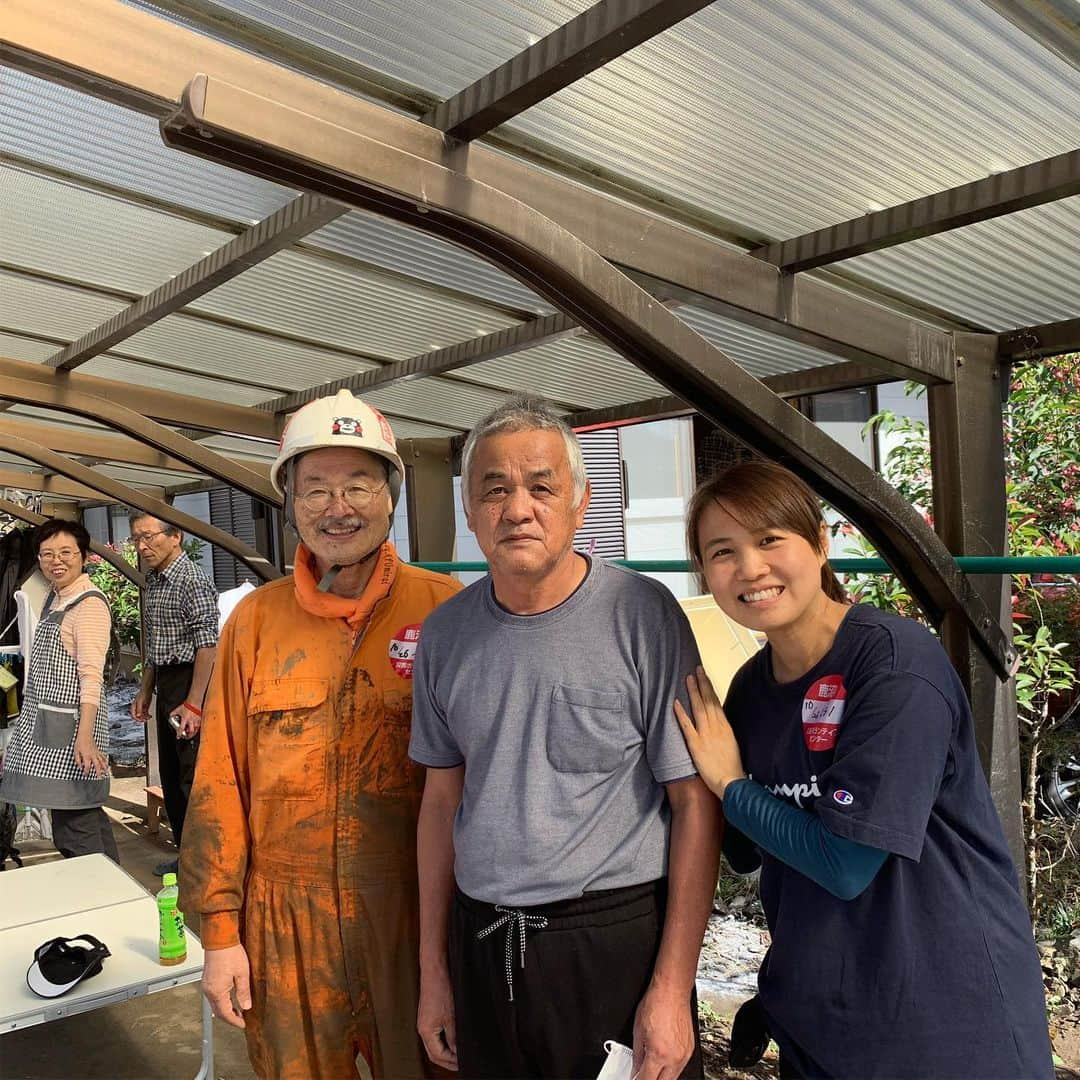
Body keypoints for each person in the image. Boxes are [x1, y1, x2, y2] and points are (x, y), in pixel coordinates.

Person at [675, 459, 1054, 1079]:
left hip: (943, 1023)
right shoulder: (750, 689)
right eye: (723, 551)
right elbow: (744, 851)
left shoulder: (895, 665)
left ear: (820, 542)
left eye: (770, 539)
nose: (750, 568)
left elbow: (846, 863)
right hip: (823, 1021)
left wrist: (730, 785)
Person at [410, 394, 721, 1080]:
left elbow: (695, 803)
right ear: (469, 511)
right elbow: (439, 804)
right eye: (494, 489)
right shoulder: (445, 634)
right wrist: (435, 971)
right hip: (482, 941)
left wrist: (672, 990)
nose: (517, 509)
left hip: (612, 945)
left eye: (541, 487)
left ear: (579, 504)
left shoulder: (643, 615)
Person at [179, 389, 461, 1079]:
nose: (339, 508)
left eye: (358, 484)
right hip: (283, 927)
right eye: (316, 490)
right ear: (292, 506)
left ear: (390, 494)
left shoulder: (449, 613)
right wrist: (219, 934)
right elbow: (219, 782)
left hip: (415, 918)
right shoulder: (254, 623)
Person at [0, 520, 118, 861]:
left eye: (66, 552)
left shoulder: (89, 605)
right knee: (86, 819)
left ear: (83, 556)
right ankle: (120, 897)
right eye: (48, 554)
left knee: (76, 832)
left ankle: (99, 902)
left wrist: (85, 738)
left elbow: (92, 677)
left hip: (73, 737)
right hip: (52, 732)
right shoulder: (56, 598)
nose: (57, 561)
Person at [128, 513, 218, 877]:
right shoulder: (154, 580)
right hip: (166, 679)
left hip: (191, 681)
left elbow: (208, 645)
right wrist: (145, 689)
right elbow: (154, 642)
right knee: (170, 774)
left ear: (175, 536)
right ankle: (187, 856)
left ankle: (208, 862)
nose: (141, 546)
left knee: (192, 776)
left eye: (149, 537)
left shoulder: (192, 579)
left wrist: (194, 703)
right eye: (136, 539)